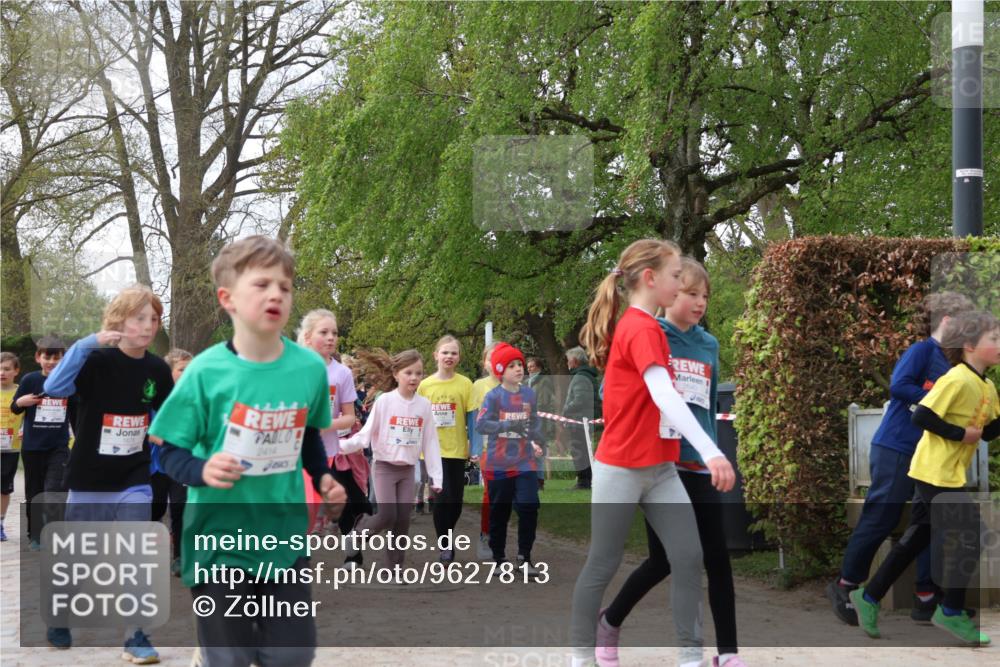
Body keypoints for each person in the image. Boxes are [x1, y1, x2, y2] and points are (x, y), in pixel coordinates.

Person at [149, 235, 347, 667]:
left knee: (292, 655)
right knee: (231, 659)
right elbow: (168, 452)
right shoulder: (205, 372)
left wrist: (323, 477)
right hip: (218, 540)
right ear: (228, 298)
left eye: (285, 286)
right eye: (261, 284)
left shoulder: (308, 368)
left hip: (283, 537)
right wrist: (202, 469)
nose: (276, 293)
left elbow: (308, 436)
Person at [570, 239, 736, 667]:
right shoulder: (640, 327)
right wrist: (711, 451)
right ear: (651, 279)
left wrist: (703, 451)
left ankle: (690, 658)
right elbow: (664, 393)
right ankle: (580, 659)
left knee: (687, 557)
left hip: (661, 470)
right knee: (602, 565)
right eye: (677, 277)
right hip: (620, 469)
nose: (682, 284)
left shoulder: (651, 327)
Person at [850, 310, 999, 646]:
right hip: (934, 472)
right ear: (970, 345)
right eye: (995, 339)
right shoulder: (956, 379)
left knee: (917, 538)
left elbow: (987, 433)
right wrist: (960, 434)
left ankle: (869, 597)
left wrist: (974, 433)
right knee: (975, 535)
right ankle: (950, 610)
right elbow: (924, 416)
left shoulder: (986, 386)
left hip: (948, 473)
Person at [827, 291, 975, 625]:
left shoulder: (955, 362)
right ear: (947, 321)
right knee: (882, 517)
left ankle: (926, 597)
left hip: (930, 457)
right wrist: (938, 401)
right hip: (895, 448)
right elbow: (899, 386)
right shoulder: (922, 351)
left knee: (930, 522)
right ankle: (844, 585)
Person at [43, 287, 174, 662]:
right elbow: (54, 387)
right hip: (88, 478)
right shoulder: (95, 359)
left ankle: (136, 637)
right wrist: (87, 343)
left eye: (154, 319)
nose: (148, 326)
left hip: (134, 477)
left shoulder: (157, 369)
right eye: (139, 318)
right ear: (118, 321)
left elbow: (168, 412)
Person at [340, 348, 443, 567]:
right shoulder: (385, 401)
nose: (414, 377)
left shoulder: (424, 406)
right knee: (387, 515)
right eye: (408, 373)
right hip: (384, 468)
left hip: (407, 469)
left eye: (418, 373)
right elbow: (365, 435)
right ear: (396, 374)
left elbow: (431, 442)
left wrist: (437, 477)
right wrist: (340, 446)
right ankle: (357, 535)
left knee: (403, 521)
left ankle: (393, 567)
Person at [297, 309, 370, 563]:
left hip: (324, 452)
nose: (331, 338)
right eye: (324, 332)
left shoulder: (342, 374)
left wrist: (324, 423)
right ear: (307, 337)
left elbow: (350, 417)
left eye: (334, 333)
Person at [475, 343, 543, 574]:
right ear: (500, 371)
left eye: (520, 365)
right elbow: (482, 424)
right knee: (499, 511)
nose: (518, 369)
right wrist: (506, 424)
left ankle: (524, 558)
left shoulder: (529, 394)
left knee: (529, 505)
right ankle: (498, 558)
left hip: (525, 461)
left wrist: (538, 440)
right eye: (512, 366)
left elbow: (534, 422)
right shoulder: (493, 397)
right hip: (499, 462)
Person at [11, 336, 76, 552]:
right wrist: (22, 402)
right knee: (35, 493)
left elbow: (75, 414)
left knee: (54, 490)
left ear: (63, 359)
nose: (52, 362)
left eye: (57, 358)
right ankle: (35, 534)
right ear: (39, 357)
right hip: (32, 447)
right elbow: (15, 408)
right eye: (47, 357)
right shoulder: (30, 380)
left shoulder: (69, 382)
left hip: (58, 447)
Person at [417, 335, 474, 559]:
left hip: (457, 450)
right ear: (436, 356)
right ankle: (445, 545)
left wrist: (472, 444)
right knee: (442, 498)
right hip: (432, 451)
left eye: (453, 353)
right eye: (445, 352)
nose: (449, 356)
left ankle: (448, 535)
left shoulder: (465, 384)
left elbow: (471, 416)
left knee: (455, 501)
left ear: (458, 357)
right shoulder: (425, 385)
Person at [151, 348, 192, 577]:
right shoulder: (157, 397)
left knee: (180, 507)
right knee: (155, 507)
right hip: (156, 463)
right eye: (182, 369)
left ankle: (180, 556)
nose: (187, 374)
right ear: (169, 372)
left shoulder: (194, 398)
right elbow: (149, 430)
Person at [470, 342, 501, 560]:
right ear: (485, 363)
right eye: (491, 358)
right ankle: (486, 535)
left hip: (514, 449)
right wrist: (475, 447)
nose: (496, 362)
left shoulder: (516, 383)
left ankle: (500, 536)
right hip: (489, 449)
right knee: (491, 493)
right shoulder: (479, 386)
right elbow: (474, 419)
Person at [562, 347, 601, 490]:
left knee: (579, 451)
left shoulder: (580, 377)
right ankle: (586, 480)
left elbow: (580, 399)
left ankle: (584, 482)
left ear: (574, 361)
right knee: (584, 451)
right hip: (583, 419)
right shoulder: (584, 375)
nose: (567, 363)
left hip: (579, 420)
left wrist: (566, 409)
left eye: (568, 360)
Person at [0, 351, 24, 542]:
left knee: (4, 489)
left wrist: (25, 429)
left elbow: (29, 415)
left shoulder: (21, 391)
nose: (2, 372)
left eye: (7, 369)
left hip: (11, 448)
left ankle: (0, 524)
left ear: (16, 371)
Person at [526, 356, 556, 490]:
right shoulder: (527, 382)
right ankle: (532, 480)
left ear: (539, 367)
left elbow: (544, 402)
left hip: (539, 421)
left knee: (538, 453)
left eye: (532, 366)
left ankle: (539, 482)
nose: (529, 369)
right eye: (528, 367)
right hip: (527, 420)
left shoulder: (544, 381)